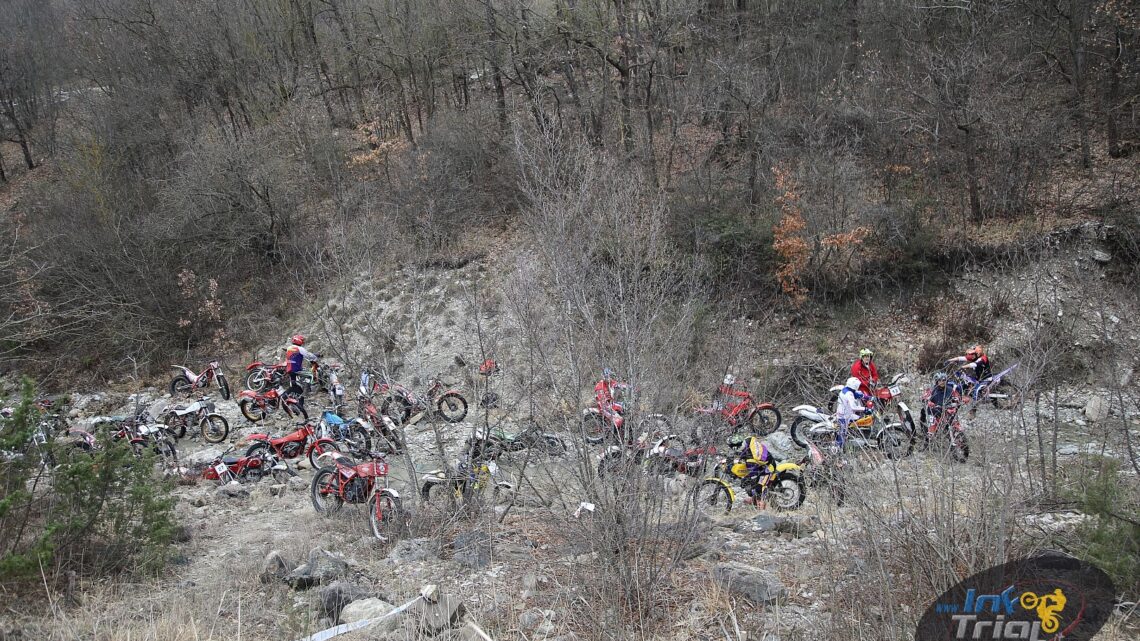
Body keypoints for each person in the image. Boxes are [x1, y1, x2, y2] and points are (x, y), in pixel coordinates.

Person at [728, 434, 778, 508]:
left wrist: (746, 477)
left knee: (759, 486)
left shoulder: (751, 458)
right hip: (760, 466)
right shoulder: (748, 442)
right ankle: (754, 499)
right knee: (752, 483)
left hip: (768, 467)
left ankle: (762, 505)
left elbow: (752, 470)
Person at [834, 376, 871, 451]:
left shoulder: (846, 389)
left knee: (860, 420)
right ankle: (838, 448)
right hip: (844, 416)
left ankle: (857, 437)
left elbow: (857, 394)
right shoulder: (849, 394)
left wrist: (868, 397)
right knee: (842, 433)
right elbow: (853, 407)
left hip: (847, 413)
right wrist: (865, 409)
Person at [284, 334, 321, 410]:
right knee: (310, 375)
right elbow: (308, 356)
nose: (303, 342)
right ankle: (306, 391)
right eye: (302, 340)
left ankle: (294, 395)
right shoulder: (300, 348)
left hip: (289, 370)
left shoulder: (289, 348)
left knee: (294, 385)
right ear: (299, 340)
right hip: (296, 369)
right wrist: (316, 355)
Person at [924, 372, 961, 438]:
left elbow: (957, 396)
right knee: (931, 434)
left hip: (948, 410)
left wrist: (957, 400)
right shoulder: (932, 390)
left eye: (944, 380)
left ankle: (959, 437)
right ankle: (928, 444)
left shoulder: (950, 389)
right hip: (934, 411)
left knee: (956, 424)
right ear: (936, 381)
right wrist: (928, 401)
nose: (942, 382)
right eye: (940, 380)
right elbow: (925, 397)